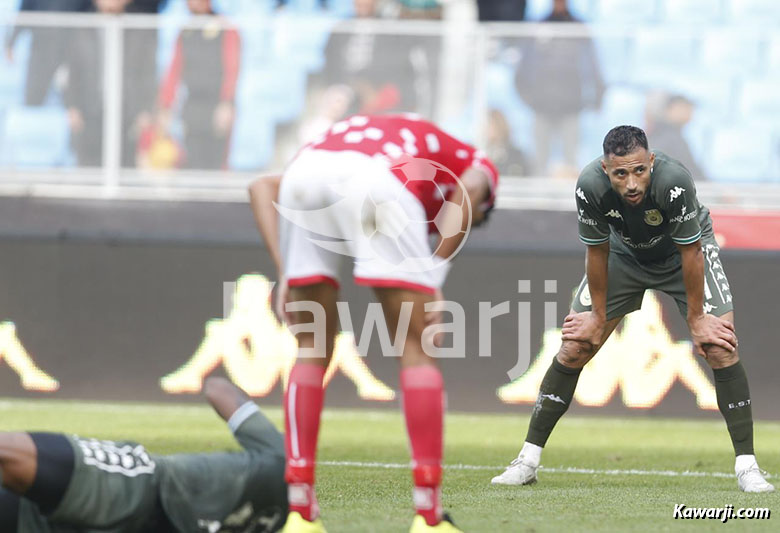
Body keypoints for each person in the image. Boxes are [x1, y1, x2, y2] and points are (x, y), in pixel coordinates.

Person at [249, 114, 499, 532]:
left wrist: (286, 275)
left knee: (310, 351)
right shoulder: (475, 158)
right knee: (416, 350)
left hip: (302, 177)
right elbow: (470, 190)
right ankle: (429, 517)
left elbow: (260, 187)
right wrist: (433, 269)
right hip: (377, 184)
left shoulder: (355, 132)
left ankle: (300, 513)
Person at [491, 125, 774, 494]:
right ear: (606, 169)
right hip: (624, 256)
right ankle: (526, 461)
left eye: (639, 170)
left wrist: (697, 319)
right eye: (621, 173)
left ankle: (747, 466)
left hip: (680, 254)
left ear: (651, 161)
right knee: (575, 346)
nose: (632, 183)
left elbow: (691, 252)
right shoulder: (589, 185)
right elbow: (596, 251)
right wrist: (595, 315)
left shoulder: (673, 181)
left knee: (719, 346)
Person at [0, 377, 288, 532]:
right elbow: (216, 388)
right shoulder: (284, 463)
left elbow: (217, 388)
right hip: (142, 492)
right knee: (14, 459)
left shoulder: (283, 455)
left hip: (137, 492)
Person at [514, 0, 604, 176]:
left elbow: (593, 64)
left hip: (571, 105)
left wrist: (598, 95)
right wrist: (528, 97)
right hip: (542, 105)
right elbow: (522, 67)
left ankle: (571, 200)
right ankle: (537, 199)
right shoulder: (538, 26)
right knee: (539, 161)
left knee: (570, 159)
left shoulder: (579, 27)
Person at [158, 0, 240, 170]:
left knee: (215, 163)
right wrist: (166, 105)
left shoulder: (226, 28)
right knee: (192, 160)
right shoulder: (186, 31)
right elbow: (175, 69)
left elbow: (232, 68)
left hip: (217, 106)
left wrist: (226, 103)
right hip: (193, 106)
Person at [4, 0, 92, 106]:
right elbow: (24, 13)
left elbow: (91, 11)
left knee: (74, 102)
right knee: (32, 99)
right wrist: (11, 43)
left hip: (71, 52)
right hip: (41, 50)